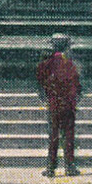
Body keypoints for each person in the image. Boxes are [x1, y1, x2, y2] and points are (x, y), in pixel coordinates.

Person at [35, 33, 82, 176]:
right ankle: (69, 166)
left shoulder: (46, 63)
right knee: (68, 136)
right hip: (68, 104)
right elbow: (78, 85)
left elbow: (41, 82)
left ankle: (51, 167)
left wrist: (46, 97)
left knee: (53, 136)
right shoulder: (71, 64)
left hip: (54, 104)